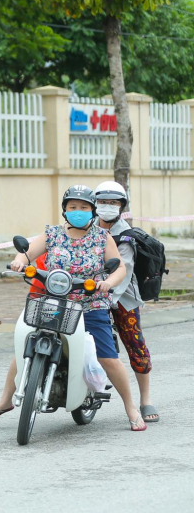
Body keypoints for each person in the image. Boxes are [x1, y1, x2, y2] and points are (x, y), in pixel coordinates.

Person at [0, 185, 147, 431]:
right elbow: (27, 254)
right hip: (54, 302)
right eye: (72, 207)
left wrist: (108, 283)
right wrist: (19, 261)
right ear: (65, 210)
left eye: (83, 208)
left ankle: (131, 408)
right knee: (25, 345)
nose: (77, 211)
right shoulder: (52, 234)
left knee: (108, 358)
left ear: (92, 211)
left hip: (91, 305)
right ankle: (6, 400)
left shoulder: (103, 238)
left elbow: (120, 268)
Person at [94, 180, 158, 423]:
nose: (107, 206)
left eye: (113, 203)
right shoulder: (85, 227)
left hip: (121, 297)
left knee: (135, 343)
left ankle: (145, 400)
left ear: (122, 206)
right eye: (103, 202)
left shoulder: (126, 236)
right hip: (86, 291)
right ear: (95, 204)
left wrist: (107, 295)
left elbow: (124, 270)